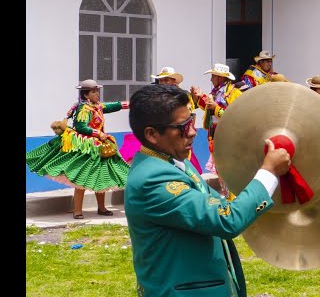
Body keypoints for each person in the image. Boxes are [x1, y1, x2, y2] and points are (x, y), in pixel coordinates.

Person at [124, 83, 290, 297]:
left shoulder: (173, 162)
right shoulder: (153, 180)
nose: (193, 132)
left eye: (192, 121)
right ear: (152, 134)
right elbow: (226, 219)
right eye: (183, 127)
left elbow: (220, 206)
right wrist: (268, 171)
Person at [26, 79, 130, 219]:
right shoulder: (83, 109)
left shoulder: (97, 106)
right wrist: (98, 133)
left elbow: (111, 106)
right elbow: (81, 127)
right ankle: (77, 210)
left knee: (100, 177)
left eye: (97, 91)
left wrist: (129, 104)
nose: (97, 94)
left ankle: (101, 207)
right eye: (94, 92)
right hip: (85, 147)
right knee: (81, 179)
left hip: (98, 147)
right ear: (86, 95)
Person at [120, 67, 204, 175]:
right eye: (161, 80)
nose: (162, 82)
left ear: (174, 81)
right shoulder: (154, 97)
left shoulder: (183, 97)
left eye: (166, 80)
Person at [191, 63, 243, 193]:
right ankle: (226, 193)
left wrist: (217, 109)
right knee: (220, 165)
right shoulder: (215, 92)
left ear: (220, 78)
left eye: (213, 76)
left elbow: (236, 116)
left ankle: (233, 194)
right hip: (214, 133)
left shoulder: (234, 93)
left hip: (228, 134)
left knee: (229, 165)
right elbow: (209, 108)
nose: (211, 79)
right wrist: (199, 97)